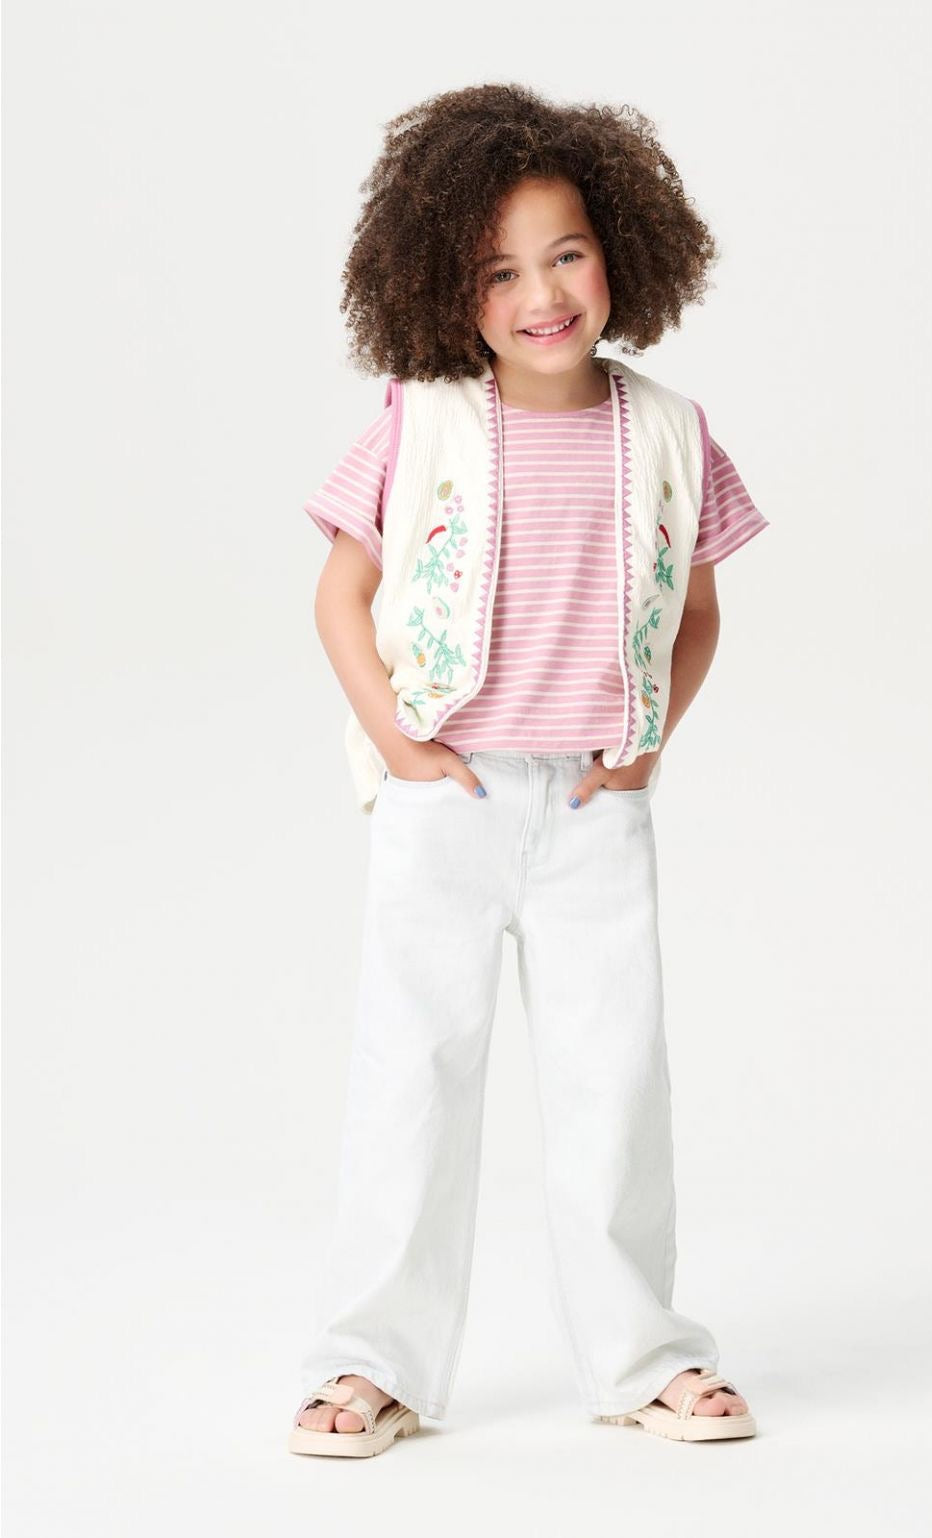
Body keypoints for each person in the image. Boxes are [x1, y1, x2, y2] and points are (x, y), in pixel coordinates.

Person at [289, 83, 768, 1458]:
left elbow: (699, 612)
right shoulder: (424, 418)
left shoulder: (668, 428)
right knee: (412, 1079)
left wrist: (651, 738)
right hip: (449, 799)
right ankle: (371, 1363)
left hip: (594, 808)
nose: (540, 293)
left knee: (616, 1086)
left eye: (566, 254)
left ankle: (644, 1356)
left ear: (621, 249)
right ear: (446, 286)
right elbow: (340, 592)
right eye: (498, 270)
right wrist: (396, 741)